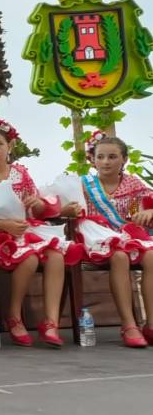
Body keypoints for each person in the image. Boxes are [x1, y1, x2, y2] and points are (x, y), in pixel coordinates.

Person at [0, 117, 81, 348]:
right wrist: (1, 225)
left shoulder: (20, 173)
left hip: (25, 231)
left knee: (56, 255)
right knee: (30, 257)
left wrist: (37, 203)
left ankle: (51, 322)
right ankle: (14, 316)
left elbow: (36, 210)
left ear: (9, 146)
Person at [76, 132, 153, 348]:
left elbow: (148, 203)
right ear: (92, 160)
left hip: (128, 237)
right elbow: (65, 209)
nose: (105, 162)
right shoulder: (84, 184)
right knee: (119, 257)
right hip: (96, 238)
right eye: (100, 157)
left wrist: (149, 211)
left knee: (151, 256)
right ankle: (129, 325)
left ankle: (151, 325)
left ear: (124, 159)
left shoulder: (133, 183)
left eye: (112, 157)